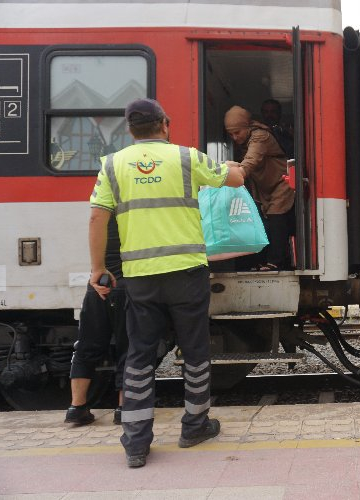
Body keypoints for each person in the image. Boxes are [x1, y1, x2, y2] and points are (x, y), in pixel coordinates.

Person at [89, 98, 245, 468]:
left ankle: (136, 442)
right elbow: (235, 179)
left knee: (139, 355)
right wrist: (228, 167)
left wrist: (97, 269)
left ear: (130, 130)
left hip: (140, 277)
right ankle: (194, 426)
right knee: (194, 351)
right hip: (186, 272)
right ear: (165, 123)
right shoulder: (187, 157)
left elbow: (97, 218)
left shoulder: (112, 165)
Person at [65, 218, 127, 426]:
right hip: (128, 285)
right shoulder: (134, 207)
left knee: (86, 345)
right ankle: (123, 408)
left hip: (99, 284)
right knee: (128, 349)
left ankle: (77, 407)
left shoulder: (101, 211)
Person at [224, 105, 296, 271]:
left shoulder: (260, 136)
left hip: (281, 183)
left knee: (276, 217)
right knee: (264, 222)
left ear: (247, 127)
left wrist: (232, 175)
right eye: (231, 134)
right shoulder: (245, 139)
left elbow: (250, 161)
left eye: (237, 132)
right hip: (264, 187)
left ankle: (276, 262)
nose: (234, 137)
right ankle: (261, 261)